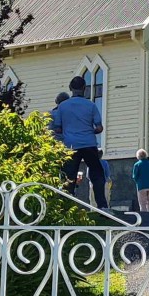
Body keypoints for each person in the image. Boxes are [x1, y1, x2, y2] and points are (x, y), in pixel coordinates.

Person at [49, 75, 108, 210]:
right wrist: (89, 131)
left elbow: (58, 128)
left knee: (69, 177)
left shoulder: (62, 107)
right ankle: (102, 205)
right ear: (84, 88)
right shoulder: (91, 105)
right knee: (97, 174)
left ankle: (67, 207)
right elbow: (99, 128)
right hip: (89, 144)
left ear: (70, 88)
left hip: (70, 145)